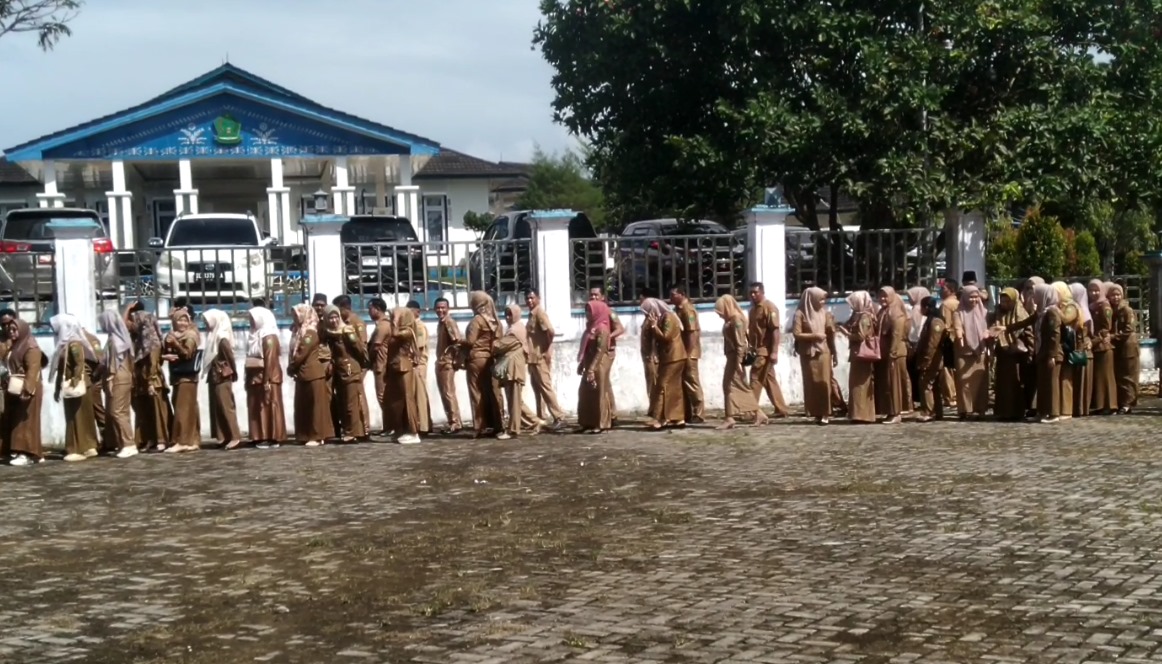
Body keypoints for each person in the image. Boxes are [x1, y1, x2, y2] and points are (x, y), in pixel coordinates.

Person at [50, 313, 101, 462]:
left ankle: (77, 448)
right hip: (73, 386)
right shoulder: (65, 345)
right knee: (77, 417)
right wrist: (57, 388)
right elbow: (61, 369)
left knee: (78, 418)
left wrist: (75, 381)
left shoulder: (74, 344)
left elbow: (79, 364)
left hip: (77, 387)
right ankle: (86, 446)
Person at [715, 294, 766, 429]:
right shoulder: (731, 320)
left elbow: (740, 343)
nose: (720, 315)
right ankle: (754, 413)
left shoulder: (737, 319)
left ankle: (731, 417)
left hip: (735, 358)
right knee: (736, 386)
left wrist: (738, 361)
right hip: (732, 357)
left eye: (721, 311)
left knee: (731, 386)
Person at [493, 303, 541, 439]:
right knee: (516, 400)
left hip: (514, 368)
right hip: (512, 368)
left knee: (514, 401)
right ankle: (535, 421)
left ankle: (513, 430)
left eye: (510, 314)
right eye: (506, 314)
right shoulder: (514, 328)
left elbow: (499, 346)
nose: (508, 317)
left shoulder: (515, 330)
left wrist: (492, 341)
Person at [288, 303, 333, 447]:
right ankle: (304, 434)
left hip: (312, 373)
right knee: (303, 406)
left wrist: (292, 366)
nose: (295, 318)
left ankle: (317, 435)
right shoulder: (298, 331)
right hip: (302, 374)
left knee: (316, 407)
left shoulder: (310, 333)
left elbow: (302, 352)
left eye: (297, 315)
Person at [1, 318, 46, 466]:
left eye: (15, 330)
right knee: (18, 420)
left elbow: (33, 371)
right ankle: (33, 453)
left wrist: (28, 390)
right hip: (17, 388)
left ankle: (26, 453)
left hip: (28, 389)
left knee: (26, 422)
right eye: (10, 330)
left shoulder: (31, 347)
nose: (11, 332)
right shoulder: (16, 346)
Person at [460, 292, 504, 438]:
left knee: (476, 393)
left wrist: (458, 341)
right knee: (491, 392)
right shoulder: (494, 321)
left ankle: (479, 426)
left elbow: (470, 342)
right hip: (489, 359)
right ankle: (497, 424)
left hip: (475, 359)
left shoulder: (477, 320)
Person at [129, 310, 172, 452]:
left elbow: (153, 364)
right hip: (141, 380)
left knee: (158, 410)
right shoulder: (137, 341)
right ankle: (149, 438)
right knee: (145, 410)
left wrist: (151, 381)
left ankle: (162, 439)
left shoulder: (152, 343)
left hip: (153, 380)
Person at [988, 288, 1034, 421]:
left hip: (1016, 356)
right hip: (1003, 354)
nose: (1004, 304)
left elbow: (1028, 333)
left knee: (1015, 384)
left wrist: (1030, 352)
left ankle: (1016, 411)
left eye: (1008, 301)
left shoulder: (1021, 314)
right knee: (1003, 385)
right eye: (1002, 301)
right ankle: (1003, 411)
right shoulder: (998, 313)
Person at [792, 286, 836, 424]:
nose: (822, 302)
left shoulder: (825, 313)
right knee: (811, 384)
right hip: (808, 353)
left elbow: (830, 335)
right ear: (811, 299)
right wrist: (814, 336)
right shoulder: (800, 314)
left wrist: (834, 353)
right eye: (820, 299)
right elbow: (797, 334)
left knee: (824, 383)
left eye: (824, 300)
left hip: (823, 352)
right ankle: (816, 412)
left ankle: (825, 413)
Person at [97, 310, 138, 458]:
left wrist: (110, 377)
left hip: (118, 378)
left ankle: (128, 444)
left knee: (117, 411)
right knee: (122, 411)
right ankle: (123, 443)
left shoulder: (115, 340)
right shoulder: (118, 338)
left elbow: (114, 362)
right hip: (124, 377)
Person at [642, 297, 687, 429]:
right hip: (671, 356)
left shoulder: (668, 317)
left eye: (648, 312)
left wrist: (654, 326)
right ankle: (677, 417)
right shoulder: (664, 317)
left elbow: (666, 337)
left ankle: (660, 418)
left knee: (662, 386)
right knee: (673, 387)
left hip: (673, 356)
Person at [746, 282, 790, 418]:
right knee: (769, 380)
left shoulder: (769, 307)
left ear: (762, 292)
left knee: (755, 379)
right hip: (756, 350)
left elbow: (775, 330)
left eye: (755, 292)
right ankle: (781, 408)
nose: (753, 295)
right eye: (751, 293)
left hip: (764, 350)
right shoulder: (753, 310)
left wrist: (774, 352)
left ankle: (750, 410)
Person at [245, 306, 287, 449]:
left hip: (267, 377)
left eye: (253, 318)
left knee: (268, 406)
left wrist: (266, 380)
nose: (251, 321)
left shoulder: (269, 336)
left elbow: (270, 359)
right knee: (258, 407)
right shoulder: (255, 335)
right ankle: (259, 435)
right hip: (256, 377)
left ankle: (272, 436)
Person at [525, 290, 567, 429]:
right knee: (537, 389)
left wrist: (547, 349)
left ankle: (559, 417)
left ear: (538, 298)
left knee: (546, 387)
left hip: (539, 357)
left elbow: (550, 331)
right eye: (527, 298)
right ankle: (541, 417)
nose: (529, 301)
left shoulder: (539, 313)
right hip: (532, 358)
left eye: (532, 298)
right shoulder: (531, 315)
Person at [202, 309, 243, 449]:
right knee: (218, 407)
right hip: (215, 375)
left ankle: (234, 436)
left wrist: (233, 372)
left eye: (208, 321)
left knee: (226, 406)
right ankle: (224, 436)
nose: (206, 324)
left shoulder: (221, 337)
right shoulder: (212, 336)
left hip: (222, 375)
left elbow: (229, 356)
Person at [163, 309, 202, 453]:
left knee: (182, 410)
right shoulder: (174, 334)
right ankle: (193, 440)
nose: (182, 323)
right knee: (188, 409)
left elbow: (187, 354)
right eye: (179, 320)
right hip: (179, 377)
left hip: (187, 377)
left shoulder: (190, 335)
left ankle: (182, 441)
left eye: (185, 320)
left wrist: (175, 343)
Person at [384, 307, 424, 444]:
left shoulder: (407, 331)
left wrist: (395, 319)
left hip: (403, 366)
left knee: (407, 399)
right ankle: (401, 429)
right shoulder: (399, 330)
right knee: (397, 402)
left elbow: (395, 334)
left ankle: (413, 431)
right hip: (395, 367)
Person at [333, 295, 370, 434]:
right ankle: (356, 428)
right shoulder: (343, 323)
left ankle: (365, 429)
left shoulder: (356, 322)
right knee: (349, 399)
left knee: (359, 396)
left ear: (345, 308)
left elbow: (362, 345)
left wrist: (362, 365)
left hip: (357, 364)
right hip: (347, 365)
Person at [576, 299, 614, 434]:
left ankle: (601, 423)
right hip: (589, 363)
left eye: (590, 311)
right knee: (585, 393)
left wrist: (592, 369)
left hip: (599, 364)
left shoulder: (602, 329)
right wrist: (582, 364)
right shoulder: (591, 327)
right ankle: (587, 422)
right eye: (586, 311)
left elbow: (600, 350)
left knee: (599, 392)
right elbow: (586, 349)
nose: (587, 314)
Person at [953, 285, 990, 419]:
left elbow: (988, 328)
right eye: (971, 297)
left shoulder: (984, 312)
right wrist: (960, 336)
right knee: (964, 382)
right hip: (964, 352)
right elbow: (957, 326)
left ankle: (980, 408)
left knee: (981, 381)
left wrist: (988, 335)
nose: (974, 300)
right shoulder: (958, 312)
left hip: (980, 351)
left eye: (976, 297)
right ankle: (965, 409)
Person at [589, 287, 625, 425]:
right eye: (591, 295)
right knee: (605, 382)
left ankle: (608, 416)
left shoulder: (609, 312)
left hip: (607, 351)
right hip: (596, 350)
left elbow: (620, 328)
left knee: (602, 381)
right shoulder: (593, 312)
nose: (593, 297)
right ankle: (612, 413)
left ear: (603, 297)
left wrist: (608, 337)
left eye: (596, 295)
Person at [669, 287, 705, 423]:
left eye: (673, 295)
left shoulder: (688, 310)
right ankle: (687, 412)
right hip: (681, 351)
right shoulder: (678, 309)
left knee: (692, 382)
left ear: (682, 294)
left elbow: (692, 332)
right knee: (683, 383)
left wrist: (688, 353)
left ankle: (699, 413)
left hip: (689, 352)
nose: (671, 298)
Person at [875, 286, 910, 424]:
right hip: (886, 353)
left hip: (895, 353)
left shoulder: (896, 313)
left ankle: (896, 412)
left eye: (885, 296)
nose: (882, 299)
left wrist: (892, 352)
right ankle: (890, 410)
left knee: (894, 384)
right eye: (880, 296)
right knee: (887, 383)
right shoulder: (883, 312)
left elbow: (897, 334)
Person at [1032, 284, 1064, 423]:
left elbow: (1055, 335)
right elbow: (1026, 322)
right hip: (1042, 352)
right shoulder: (1041, 312)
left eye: (1035, 294)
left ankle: (1053, 413)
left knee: (1052, 384)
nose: (1033, 297)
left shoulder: (1052, 312)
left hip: (1051, 353)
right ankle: (1042, 411)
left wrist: (1052, 355)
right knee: (1043, 383)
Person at [845, 291, 878, 424]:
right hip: (856, 355)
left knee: (860, 385)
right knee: (855, 384)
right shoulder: (857, 315)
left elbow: (861, 336)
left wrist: (847, 334)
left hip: (862, 355)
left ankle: (862, 414)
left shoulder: (864, 317)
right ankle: (857, 413)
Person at [913, 296, 948, 421]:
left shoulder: (935, 322)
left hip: (933, 359)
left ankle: (928, 411)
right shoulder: (930, 320)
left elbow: (933, 343)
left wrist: (927, 360)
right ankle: (937, 411)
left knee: (925, 384)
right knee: (933, 385)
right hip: (932, 359)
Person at [433, 297, 463, 433]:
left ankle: (455, 423)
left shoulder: (449, 322)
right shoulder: (441, 323)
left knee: (448, 392)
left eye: (443, 307)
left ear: (448, 308)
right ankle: (452, 421)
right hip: (441, 362)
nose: (440, 310)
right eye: (438, 308)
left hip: (446, 363)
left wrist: (454, 360)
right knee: (445, 393)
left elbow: (457, 342)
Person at [1108, 282, 1139, 414]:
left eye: (1118, 294)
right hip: (1120, 346)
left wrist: (1113, 336)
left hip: (1128, 346)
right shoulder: (1112, 310)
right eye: (1113, 295)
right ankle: (1123, 402)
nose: (1115, 297)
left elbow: (1128, 329)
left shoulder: (1126, 310)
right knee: (1120, 376)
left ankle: (1128, 403)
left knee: (1129, 376)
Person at [1088, 279, 1117, 414]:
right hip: (1098, 347)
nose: (1094, 293)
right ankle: (1101, 405)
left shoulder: (1105, 306)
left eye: (1096, 290)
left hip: (1104, 347)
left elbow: (1106, 329)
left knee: (1106, 378)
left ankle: (1110, 406)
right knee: (1100, 378)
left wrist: (1094, 341)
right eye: (1091, 290)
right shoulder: (1093, 306)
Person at [1052, 281, 1079, 419]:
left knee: (1066, 379)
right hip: (1061, 346)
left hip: (1069, 346)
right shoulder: (1059, 306)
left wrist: (1056, 311)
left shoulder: (1071, 306)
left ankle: (1067, 410)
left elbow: (1067, 319)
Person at [406, 300, 433, 435]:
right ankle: (424, 423)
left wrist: (414, 361)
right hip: (414, 364)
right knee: (417, 395)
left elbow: (419, 348)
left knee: (420, 395)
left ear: (417, 312)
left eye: (410, 312)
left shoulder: (419, 327)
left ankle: (423, 425)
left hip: (418, 364)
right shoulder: (411, 327)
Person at [367, 298, 393, 434]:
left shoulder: (382, 326)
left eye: (370, 308)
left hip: (381, 365)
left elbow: (376, 346)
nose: (369, 311)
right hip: (382, 364)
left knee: (383, 396)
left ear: (377, 309)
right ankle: (388, 425)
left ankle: (391, 425)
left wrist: (367, 359)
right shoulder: (384, 324)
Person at [1068, 282, 1094, 417]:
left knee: (1080, 381)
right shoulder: (1084, 311)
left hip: (1080, 351)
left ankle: (1079, 409)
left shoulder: (1078, 312)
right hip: (1082, 351)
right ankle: (1080, 409)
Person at [905, 286, 930, 412]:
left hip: (915, 345)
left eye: (910, 297)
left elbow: (914, 331)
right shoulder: (927, 309)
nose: (909, 299)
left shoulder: (916, 310)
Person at [938, 279, 961, 408]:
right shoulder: (959, 302)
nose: (940, 291)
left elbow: (945, 325)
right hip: (958, 339)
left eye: (943, 288)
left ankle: (950, 396)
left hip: (948, 339)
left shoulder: (946, 305)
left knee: (947, 369)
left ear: (951, 290)